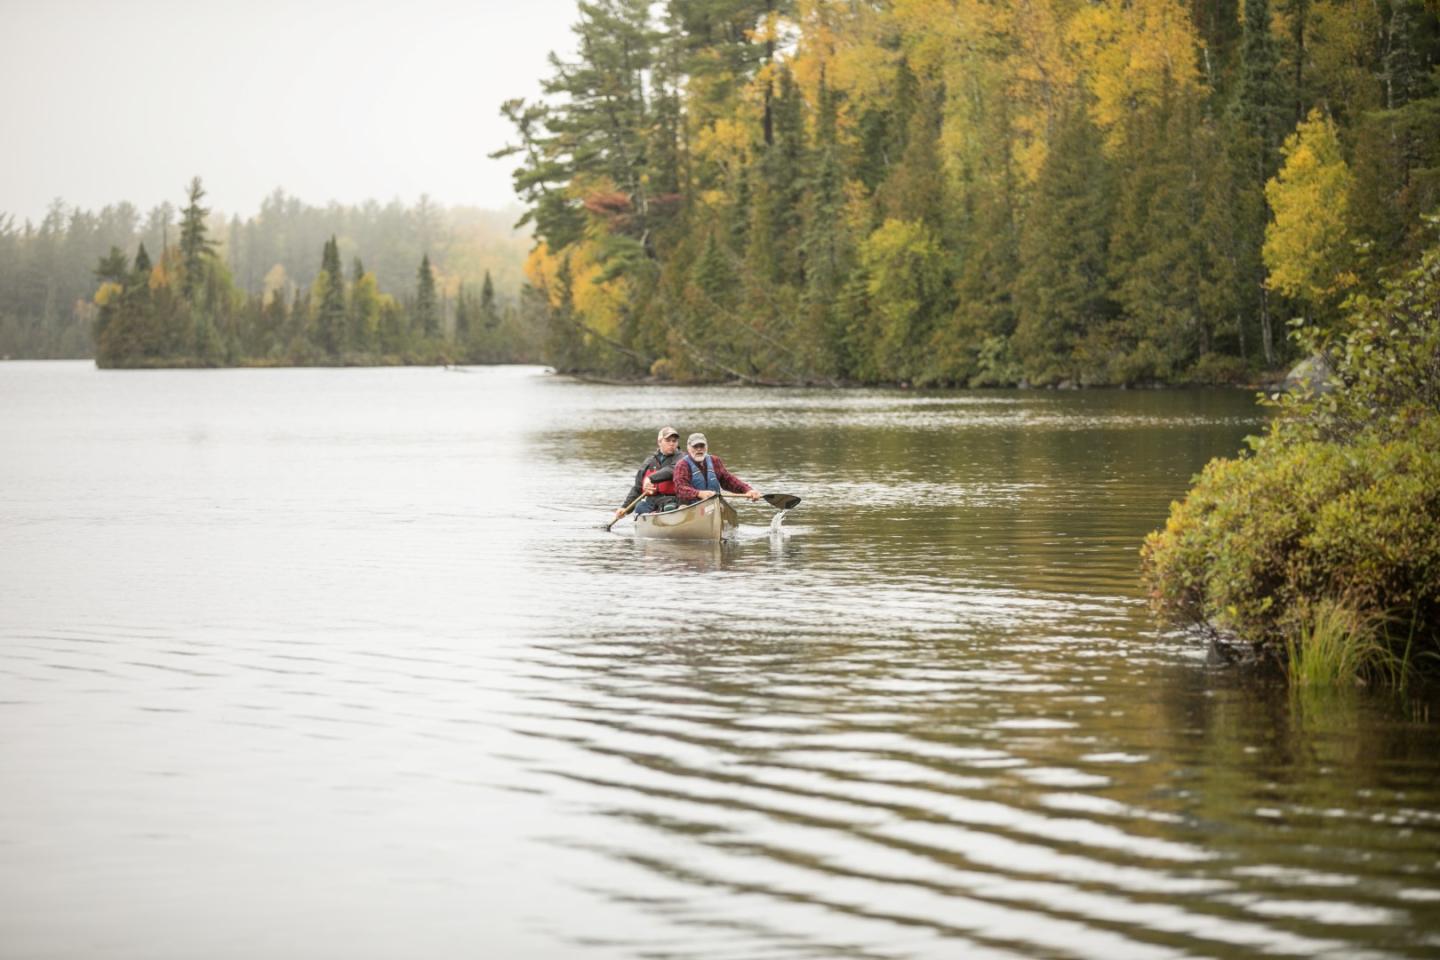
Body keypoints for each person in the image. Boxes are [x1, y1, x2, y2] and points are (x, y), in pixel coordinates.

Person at [673, 433, 762, 505]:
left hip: (714, 505)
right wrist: (699, 494)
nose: (699, 449)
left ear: (707, 446)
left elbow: (728, 480)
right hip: (691, 506)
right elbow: (680, 489)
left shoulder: (714, 461)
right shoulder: (682, 465)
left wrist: (748, 490)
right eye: (695, 446)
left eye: (702, 446)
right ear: (688, 448)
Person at [615, 426, 683, 520]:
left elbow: (672, 470)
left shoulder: (681, 458)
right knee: (639, 507)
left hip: (672, 500)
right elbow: (638, 488)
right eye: (668, 440)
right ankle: (652, 515)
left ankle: (660, 516)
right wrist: (625, 508)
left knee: (669, 508)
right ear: (659, 442)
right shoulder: (649, 462)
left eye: (674, 441)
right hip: (652, 501)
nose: (671, 444)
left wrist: (650, 478)